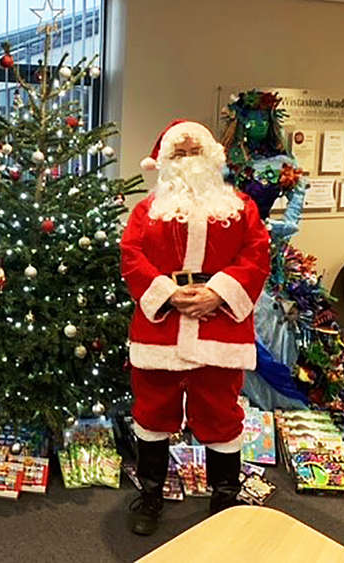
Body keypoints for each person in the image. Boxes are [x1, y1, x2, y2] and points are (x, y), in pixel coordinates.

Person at [120, 120, 270, 536]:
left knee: (221, 414)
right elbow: (131, 256)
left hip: (220, 327)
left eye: (194, 152)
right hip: (161, 329)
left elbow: (256, 255)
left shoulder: (241, 208)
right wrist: (167, 293)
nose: (187, 162)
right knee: (152, 413)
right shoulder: (145, 211)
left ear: (211, 158)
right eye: (179, 154)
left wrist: (218, 292)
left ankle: (225, 498)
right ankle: (150, 495)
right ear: (165, 162)